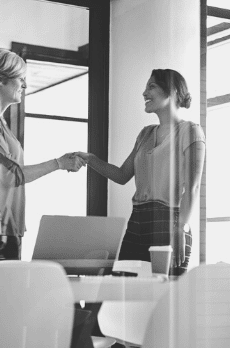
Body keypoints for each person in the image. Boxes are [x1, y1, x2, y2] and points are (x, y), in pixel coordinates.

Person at [0, 48, 85, 263]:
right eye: (21, 79)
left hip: (4, 227)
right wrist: (59, 163)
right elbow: (8, 176)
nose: (25, 85)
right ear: (0, 79)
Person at [75, 69, 205, 276]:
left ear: (171, 90)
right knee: (125, 290)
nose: (144, 93)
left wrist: (181, 228)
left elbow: (193, 186)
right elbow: (122, 175)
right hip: (137, 221)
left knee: (166, 294)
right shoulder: (145, 134)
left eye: (151, 86)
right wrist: (91, 159)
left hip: (170, 221)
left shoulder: (190, 131)